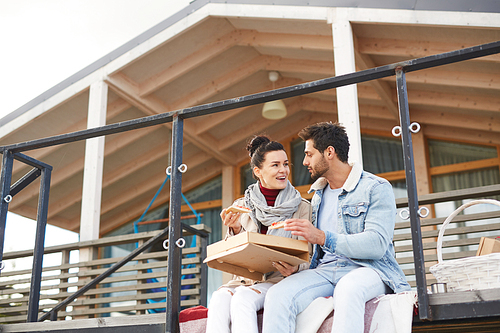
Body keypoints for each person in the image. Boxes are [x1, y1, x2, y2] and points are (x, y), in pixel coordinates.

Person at [262, 122, 411, 333]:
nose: (304, 162)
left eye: (309, 154)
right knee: (278, 295)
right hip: (324, 272)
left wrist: (324, 237)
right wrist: (296, 268)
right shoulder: (318, 195)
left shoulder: (376, 188)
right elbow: (317, 253)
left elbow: (377, 244)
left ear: (329, 152)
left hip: (369, 269)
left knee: (348, 289)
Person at [206, 135, 312, 333]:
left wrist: (294, 269)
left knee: (242, 299)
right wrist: (235, 230)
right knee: (219, 298)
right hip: (245, 280)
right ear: (258, 171)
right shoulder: (240, 207)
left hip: (280, 280)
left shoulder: (302, 207)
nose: (283, 170)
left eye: (286, 164)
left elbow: (308, 255)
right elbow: (234, 259)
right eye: (275, 165)